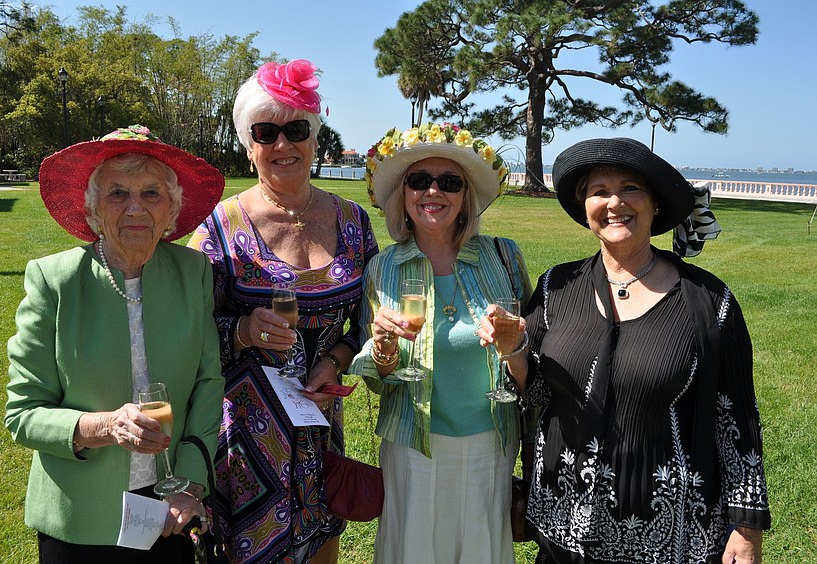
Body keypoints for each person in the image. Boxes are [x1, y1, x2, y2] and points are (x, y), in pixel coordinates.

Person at [487, 137, 771, 563]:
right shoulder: (555, 288)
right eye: (599, 191)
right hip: (564, 529)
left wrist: (746, 528)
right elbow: (536, 394)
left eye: (630, 188)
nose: (614, 201)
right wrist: (513, 350)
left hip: (669, 537)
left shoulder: (709, 302)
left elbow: (738, 418)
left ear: (655, 204)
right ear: (585, 208)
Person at [5, 125, 226, 562]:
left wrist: (190, 483)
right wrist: (105, 426)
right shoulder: (55, 281)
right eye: (117, 194)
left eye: (151, 194)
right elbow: (23, 414)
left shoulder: (193, 272)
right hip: (79, 519)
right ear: (92, 209)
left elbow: (208, 383)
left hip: (171, 511)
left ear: (171, 211)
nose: (135, 209)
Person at [187, 59, 378, 563]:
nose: (282, 145)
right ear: (248, 146)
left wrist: (335, 360)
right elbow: (183, 328)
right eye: (265, 132)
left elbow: (369, 320)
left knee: (321, 549)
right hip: (244, 438)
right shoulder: (220, 225)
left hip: (319, 421)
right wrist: (243, 329)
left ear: (316, 139)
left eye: (296, 130)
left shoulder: (353, 220)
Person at [350, 122, 533, 563]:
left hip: (492, 442)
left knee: (479, 548)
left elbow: (535, 361)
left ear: (465, 197)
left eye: (449, 182)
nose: (434, 192)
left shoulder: (503, 256)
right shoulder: (382, 268)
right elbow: (378, 374)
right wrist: (383, 347)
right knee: (412, 548)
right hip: (413, 443)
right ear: (404, 196)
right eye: (420, 181)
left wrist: (514, 345)